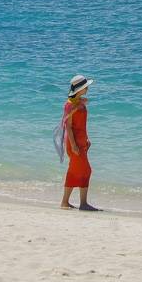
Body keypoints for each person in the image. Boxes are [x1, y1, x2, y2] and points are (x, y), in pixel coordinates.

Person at [58, 74, 98, 211]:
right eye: (86, 86)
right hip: (73, 142)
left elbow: (81, 124)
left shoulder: (79, 102)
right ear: (79, 89)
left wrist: (87, 139)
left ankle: (69, 202)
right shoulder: (69, 105)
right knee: (85, 170)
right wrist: (74, 145)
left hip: (81, 141)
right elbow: (68, 126)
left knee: (77, 171)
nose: (87, 88)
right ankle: (81, 203)